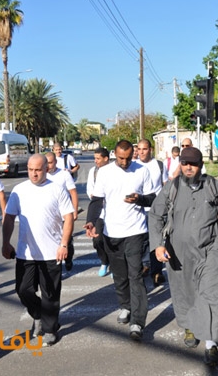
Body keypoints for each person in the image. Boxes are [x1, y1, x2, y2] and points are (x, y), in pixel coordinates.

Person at [148, 147, 218, 367]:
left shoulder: (214, 187)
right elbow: (155, 215)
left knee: (211, 295)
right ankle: (190, 326)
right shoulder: (172, 188)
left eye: (192, 163)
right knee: (186, 293)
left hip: (211, 250)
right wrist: (157, 245)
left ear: (201, 165)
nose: (188, 167)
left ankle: (211, 345)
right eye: (184, 163)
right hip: (178, 252)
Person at [84, 140, 154, 341]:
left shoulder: (142, 171)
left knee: (135, 275)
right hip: (111, 232)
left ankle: (137, 322)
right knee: (120, 276)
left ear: (133, 154)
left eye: (128, 158)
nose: (124, 162)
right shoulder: (104, 172)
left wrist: (139, 199)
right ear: (115, 154)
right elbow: (97, 200)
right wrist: (90, 222)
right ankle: (125, 306)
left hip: (135, 231)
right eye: (121, 158)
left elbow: (152, 198)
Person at [2, 154, 75, 347]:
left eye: (38, 170)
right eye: (31, 170)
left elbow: (68, 217)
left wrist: (64, 244)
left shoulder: (57, 189)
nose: (34, 174)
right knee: (23, 290)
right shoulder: (19, 190)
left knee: (50, 294)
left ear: (46, 169)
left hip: (52, 252)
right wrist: (5, 242)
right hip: (25, 253)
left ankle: (50, 329)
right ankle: (38, 315)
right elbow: (9, 218)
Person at [136, 138, 169, 286]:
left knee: (156, 240)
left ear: (150, 150)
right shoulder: (134, 166)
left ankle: (157, 272)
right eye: (139, 149)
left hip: (156, 210)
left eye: (144, 149)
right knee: (142, 241)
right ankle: (145, 264)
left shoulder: (159, 165)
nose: (141, 152)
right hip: (138, 210)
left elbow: (165, 185)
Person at [45, 151, 79, 271]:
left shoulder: (64, 174)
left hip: (64, 213)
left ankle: (68, 258)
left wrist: (74, 210)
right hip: (49, 214)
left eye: (50, 163)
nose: (48, 166)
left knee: (67, 239)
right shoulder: (43, 175)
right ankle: (55, 264)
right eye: (46, 163)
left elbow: (73, 193)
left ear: (55, 162)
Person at [86, 147, 111, 277]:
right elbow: (90, 188)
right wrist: (95, 195)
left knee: (112, 240)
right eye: (94, 158)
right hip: (99, 212)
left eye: (98, 158)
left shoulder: (114, 171)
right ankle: (104, 261)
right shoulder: (93, 172)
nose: (95, 161)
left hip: (112, 212)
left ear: (106, 158)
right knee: (97, 240)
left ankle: (113, 264)